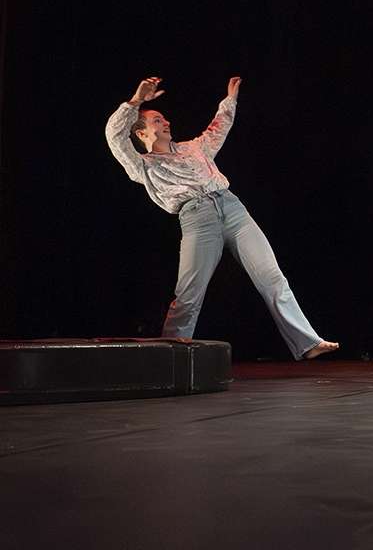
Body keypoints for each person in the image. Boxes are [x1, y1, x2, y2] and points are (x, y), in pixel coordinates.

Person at [104, 76, 338, 360]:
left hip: (233, 210)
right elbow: (115, 136)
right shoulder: (142, 165)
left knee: (272, 277)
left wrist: (229, 101)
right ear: (141, 134)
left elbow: (218, 128)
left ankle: (307, 343)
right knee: (189, 294)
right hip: (197, 219)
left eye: (164, 118)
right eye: (157, 120)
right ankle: (169, 360)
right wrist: (137, 101)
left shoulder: (194, 147)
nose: (165, 122)